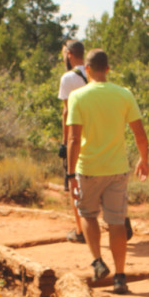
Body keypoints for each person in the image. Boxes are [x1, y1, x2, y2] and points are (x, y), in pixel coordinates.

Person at [66, 49, 149, 294]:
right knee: (116, 222)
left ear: (88, 69)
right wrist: (144, 160)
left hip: (88, 168)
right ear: (108, 69)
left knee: (87, 214)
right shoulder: (123, 94)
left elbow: (73, 138)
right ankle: (121, 276)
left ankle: (98, 261)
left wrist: (71, 175)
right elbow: (139, 133)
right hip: (117, 169)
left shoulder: (77, 97)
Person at [58, 39, 88, 243]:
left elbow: (67, 111)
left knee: (73, 181)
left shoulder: (68, 78)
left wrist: (64, 142)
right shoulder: (93, 72)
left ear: (69, 54)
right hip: (96, 133)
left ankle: (80, 230)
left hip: (76, 135)